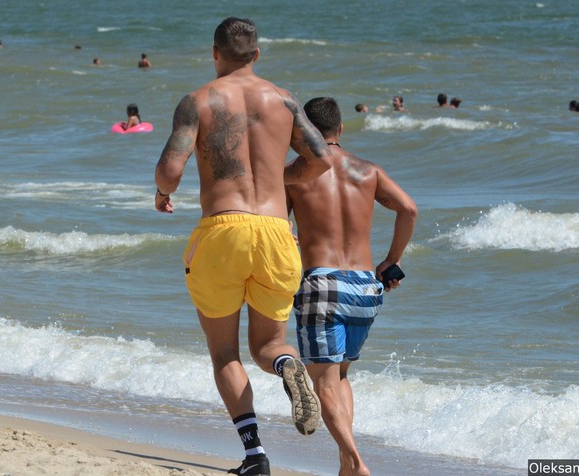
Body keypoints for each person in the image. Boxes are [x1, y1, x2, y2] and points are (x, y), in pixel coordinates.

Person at [154, 17, 331, 476]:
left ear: (214, 53)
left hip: (222, 231)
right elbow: (321, 159)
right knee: (268, 345)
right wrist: (276, 177)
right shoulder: (284, 99)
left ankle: (255, 455)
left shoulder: (197, 101)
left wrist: (163, 193)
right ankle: (287, 364)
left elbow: (170, 169)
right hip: (276, 231)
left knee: (224, 353)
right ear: (257, 55)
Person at [286, 97, 418, 476]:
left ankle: (356, 462)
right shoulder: (368, 170)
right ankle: (346, 464)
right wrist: (391, 261)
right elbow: (409, 209)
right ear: (340, 129)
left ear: (303, 133)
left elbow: (279, 229)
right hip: (364, 287)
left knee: (323, 381)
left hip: (321, 285)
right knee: (341, 375)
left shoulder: (294, 173)